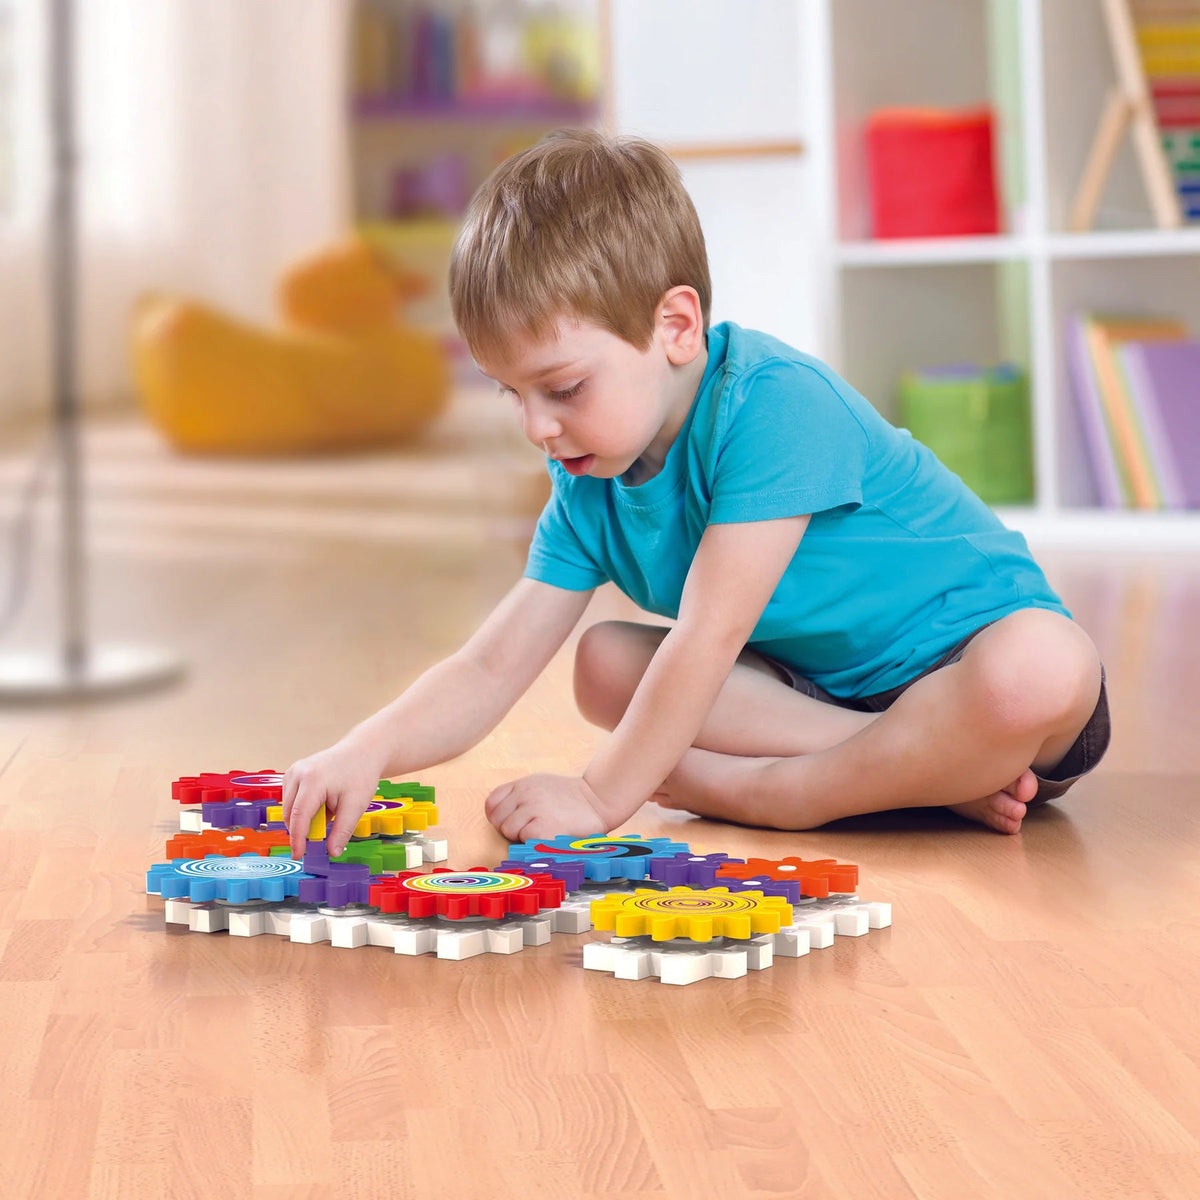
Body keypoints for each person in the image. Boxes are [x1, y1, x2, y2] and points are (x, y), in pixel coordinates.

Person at [281, 129, 1109, 857]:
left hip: (979, 675)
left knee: (1039, 665)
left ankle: (781, 795)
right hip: (823, 700)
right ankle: (922, 772)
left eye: (563, 389)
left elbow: (708, 638)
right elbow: (491, 662)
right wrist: (367, 748)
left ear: (676, 328)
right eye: (513, 395)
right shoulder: (588, 476)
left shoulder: (774, 403)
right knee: (604, 665)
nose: (537, 427)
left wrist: (604, 795)